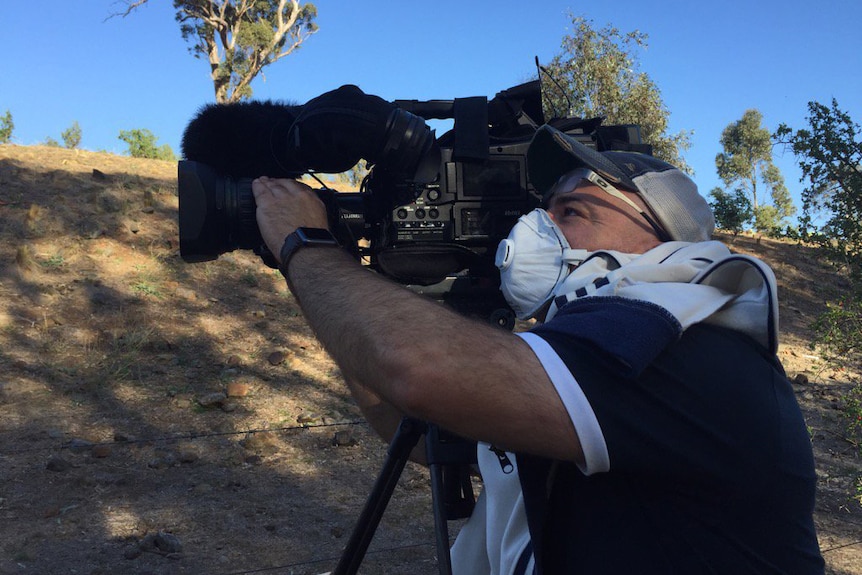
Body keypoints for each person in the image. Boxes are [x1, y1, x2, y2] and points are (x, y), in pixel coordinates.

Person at [251, 124, 824, 574]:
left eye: (571, 211)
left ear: (660, 231)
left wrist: (307, 245)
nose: (536, 225)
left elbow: (416, 368)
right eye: (541, 206)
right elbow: (426, 433)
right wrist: (327, 276)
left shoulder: (681, 338)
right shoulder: (575, 348)